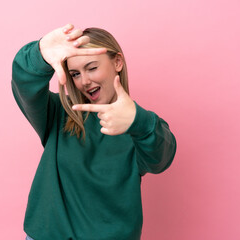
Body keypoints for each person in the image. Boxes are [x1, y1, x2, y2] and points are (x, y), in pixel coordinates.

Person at [11, 23, 177, 240]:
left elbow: (161, 159)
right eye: (75, 74)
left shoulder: (138, 126)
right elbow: (24, 84)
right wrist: (39, 54)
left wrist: (138, 120)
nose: (84, 81)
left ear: (117, 62)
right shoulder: (59, 114)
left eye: (91, 68)